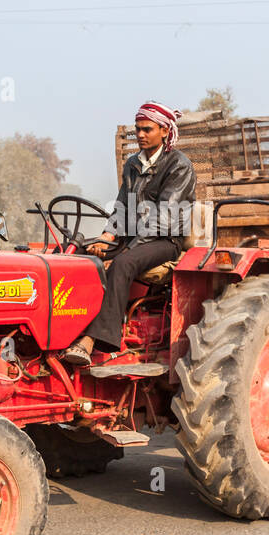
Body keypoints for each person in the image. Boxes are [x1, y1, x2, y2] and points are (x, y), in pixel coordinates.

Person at [62, 102, 196, 365]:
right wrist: (106, 238)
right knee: (76, 255)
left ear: (165, 132)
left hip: (164, 239)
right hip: (133, 238)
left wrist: (124, 251)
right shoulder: (133, 164)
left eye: (147, 129)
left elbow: (163, 219)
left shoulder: (179, 166)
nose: (141, 135)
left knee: (123, 263)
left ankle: (95, 340)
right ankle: (66, 329)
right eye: (138, 130)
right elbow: (122, 207)